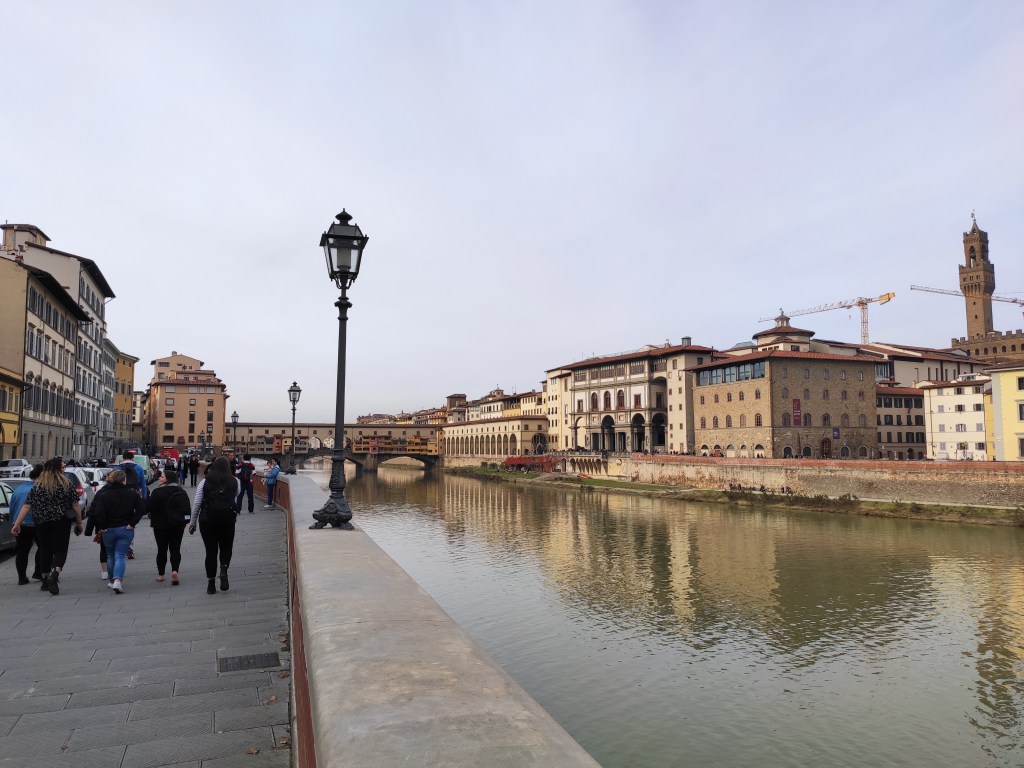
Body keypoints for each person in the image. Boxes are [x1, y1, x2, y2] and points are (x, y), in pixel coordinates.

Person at [11, 457, 83, 595]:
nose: (65, 469)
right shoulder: (66, 484)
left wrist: (17, 523)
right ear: (57, 469)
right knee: (60, 550)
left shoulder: (38, 486)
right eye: (63, 467)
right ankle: (55, 573)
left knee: (45, 550)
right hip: (61, 522)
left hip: (41, 523)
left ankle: (45, 580)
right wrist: (79, 522)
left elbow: (27, 506)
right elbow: (75, 505)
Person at [89, 469, 146, 594]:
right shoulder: (131, 494)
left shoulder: (104, 495)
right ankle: (117, 581)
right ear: (124, 480)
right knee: (120, 555)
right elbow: (142, 509)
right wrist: (133, 523)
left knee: (110, 556)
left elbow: (98, 513)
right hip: (125, 528)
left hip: (108, 530)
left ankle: (111, 581)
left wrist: (103, 526)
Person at [189, 456, 240, 595]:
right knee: (226, 547)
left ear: (213, 466)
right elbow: (235, 496)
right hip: (228, 520)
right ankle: (223, 569)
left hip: (207, 520)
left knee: (210, 551)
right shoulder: (235, 481)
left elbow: (197, 503)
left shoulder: (205, 482)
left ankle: (211, 584)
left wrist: (193, 522)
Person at [147, 468, 190, 585]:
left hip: (160, 526)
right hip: (178, 525)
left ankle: (161, 574)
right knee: (175, 549)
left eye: (162, 476)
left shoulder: (157, 492)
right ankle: (175, 571)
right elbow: (187, 508)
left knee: (162, 550)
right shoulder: (181, 491)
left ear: (168, 479)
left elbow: (148, 507)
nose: (159, 478)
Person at [10, 464, 43, 585]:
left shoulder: (18, 490)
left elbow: (12, 508)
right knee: (43, 548)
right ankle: (39, 572)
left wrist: (15, 522)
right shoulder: (39, 489)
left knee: (22, 551)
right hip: (37, 523)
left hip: (21, 525)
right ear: (40, 476)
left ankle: (22, 578)